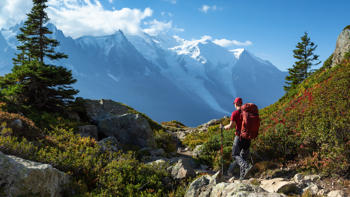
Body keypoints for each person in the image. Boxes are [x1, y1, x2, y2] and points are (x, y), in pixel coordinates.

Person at [224, 97, 253, 180]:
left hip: (239, 137)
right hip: (248, 137)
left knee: (235, 154)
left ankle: (246, 166)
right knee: (243, 157)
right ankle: (242, 178)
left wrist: (223, 127)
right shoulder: (247, 112)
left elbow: (231, 126)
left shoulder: (235, 113)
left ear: (235, 104)